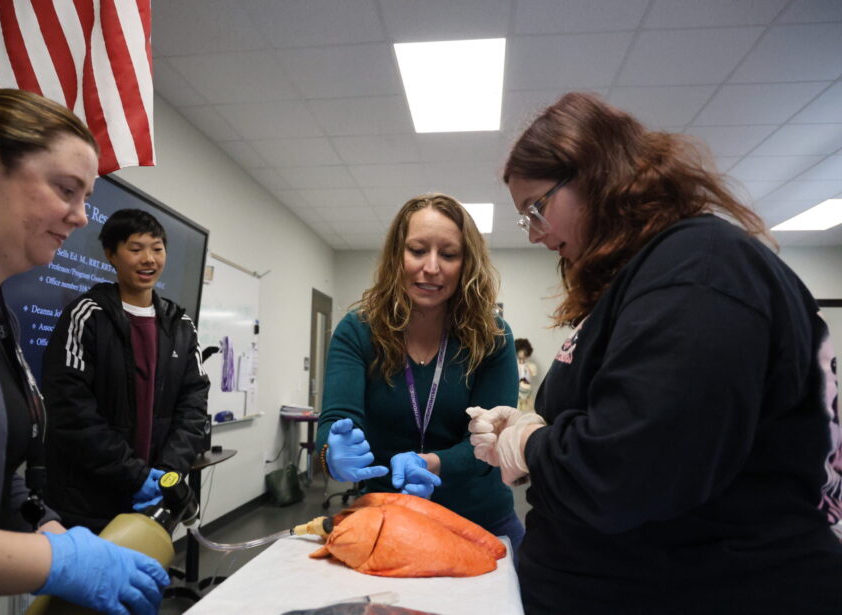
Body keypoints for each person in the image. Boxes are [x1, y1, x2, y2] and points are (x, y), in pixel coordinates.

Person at [467, 92, 842, 613]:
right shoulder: (646, 279)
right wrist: (533, 425)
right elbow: (628, 423)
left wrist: (530, 445)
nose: (534, 234)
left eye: (536, 207)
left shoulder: (700, 271)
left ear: (596, 174)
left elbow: (625, 474)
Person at [0, 89, 169, 615]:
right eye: (66, 190)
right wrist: (51, 563)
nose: (81, 217)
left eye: (86, 199)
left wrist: (45, 526)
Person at [315, 193, 524, 553]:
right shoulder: (357, 331)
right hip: (385, 520)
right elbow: (337, 418)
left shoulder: (492, 337)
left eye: (448, 254)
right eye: (417, 250)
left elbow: (491, 440)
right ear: (398, 256)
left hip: (479, 520)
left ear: (466, 263)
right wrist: (332, 453)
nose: (431, 267)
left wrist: (434, 463)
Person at [42, 208, 209, 532]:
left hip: (155, 499)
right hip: (87, 502)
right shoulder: (86, 316)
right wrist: (135, 475)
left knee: (142, 580)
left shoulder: (181, 326)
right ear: (111, 255)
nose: (149, 259)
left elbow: (194, 405)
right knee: (89, 580)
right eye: (136, 249)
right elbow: (70, 410)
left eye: (157, 249)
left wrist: (167, 473)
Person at [514, 338, 538, 412]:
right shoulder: (514, 365)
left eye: (524, 351)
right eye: (520, 351)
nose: (522, 353)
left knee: (526, 409)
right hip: (517, 389)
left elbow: (532, 374)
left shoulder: (530, 366)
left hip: (527, 391)